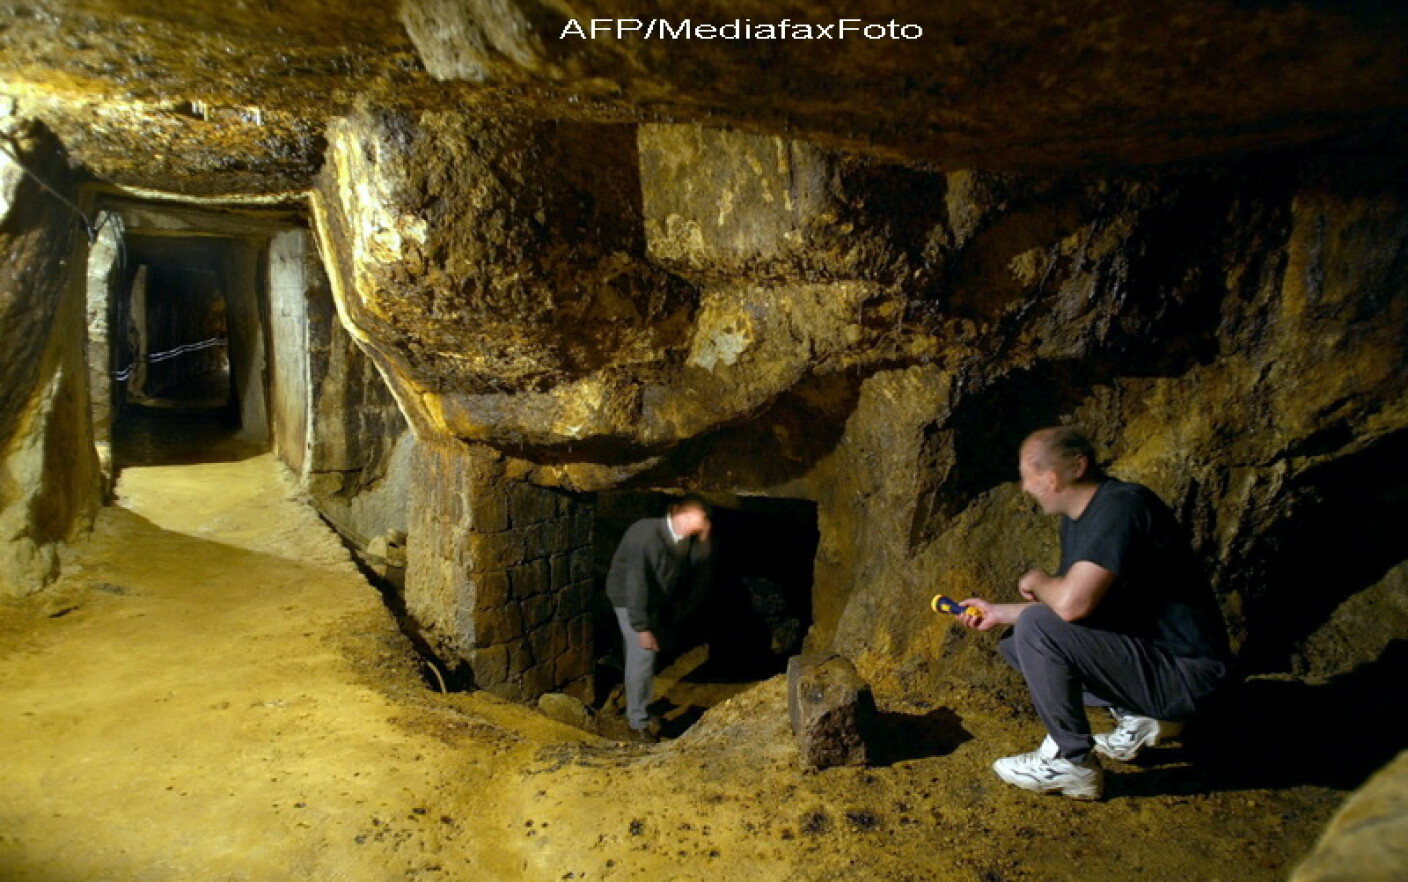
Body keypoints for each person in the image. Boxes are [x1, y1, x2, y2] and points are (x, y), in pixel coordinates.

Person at [959, 427, 1231, 799]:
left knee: (1036, 630)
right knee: (1016, 642)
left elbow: (1070, 605)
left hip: (1189, 674)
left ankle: (1072, 763)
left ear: (1074, 469)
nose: (1027, 487)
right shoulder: (1081, 520)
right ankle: (1143, 714)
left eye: (1033, 475)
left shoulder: (1121, 508)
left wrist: (1038, 579)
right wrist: (998, 612)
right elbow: (1075, 608)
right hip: (1157, 659)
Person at [605, 496, 713, 742]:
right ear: (674, 512)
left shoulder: (683, 535)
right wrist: (642, 627)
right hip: (628, 597)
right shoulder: (644, 534)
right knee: (643, 655)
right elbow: (636, 583)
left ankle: (638, 703)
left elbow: (695, 563)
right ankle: (637, 722)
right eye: (687, 519)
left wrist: (704, 540)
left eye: (696, 523)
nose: (690, 526)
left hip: (653, 599)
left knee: (638, 654)